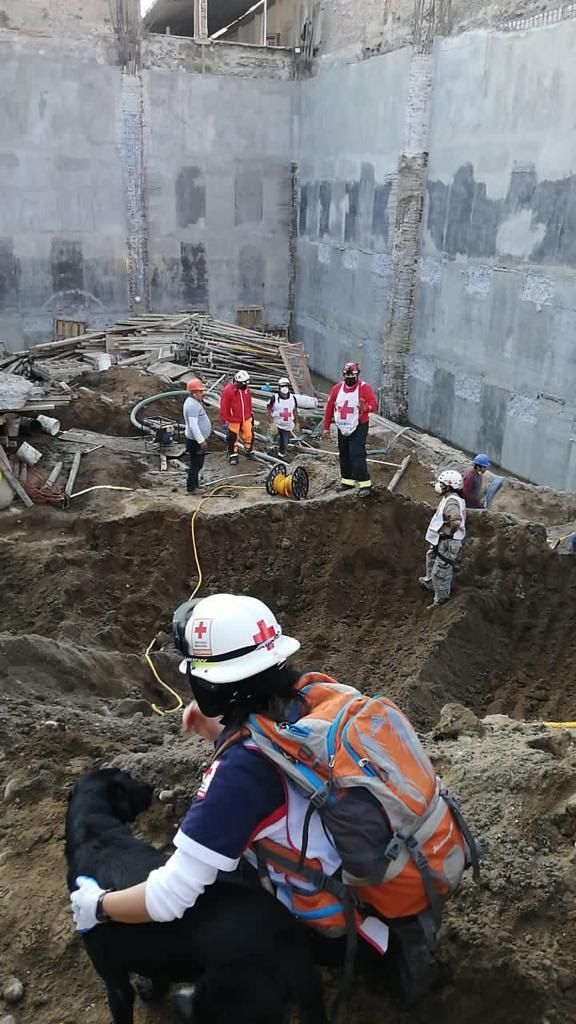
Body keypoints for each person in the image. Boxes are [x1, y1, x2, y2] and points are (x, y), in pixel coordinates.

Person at [70, 594, 477, 1003]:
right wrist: (219, 729)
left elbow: (169, 896)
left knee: (211, 884)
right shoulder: (317, 696)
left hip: (341, 917)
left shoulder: (240, 774)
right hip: (406, 860)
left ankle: (351, 951)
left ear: (209, 686)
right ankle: (397, 940)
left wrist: (98, 906)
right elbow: (272, 756)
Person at [323, 362, 378, 497]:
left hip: (358, 426)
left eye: (352, 375)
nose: (349, 378)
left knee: (356, 454)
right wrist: (326, 427)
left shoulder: (364, 388)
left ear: (357, 375)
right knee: (344, 454)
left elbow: (374, 405)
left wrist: (366, 409)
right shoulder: (337, 389)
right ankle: (347, 481)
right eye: (347, 375)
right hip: (342, 427)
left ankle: (365, 483)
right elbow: (329, 407)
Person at [419, 470, 466, 608]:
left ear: (448, 486)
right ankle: (430, 583)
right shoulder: (451, 498)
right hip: (440, 540)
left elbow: (456, 521)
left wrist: (449, 533)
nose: (438, 486)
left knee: (440, 571)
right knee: (431, 558)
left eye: (442, 484)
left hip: (448, 542)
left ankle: (441, 599)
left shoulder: (452, 502)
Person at [183, 378, 211, 494]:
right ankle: (192, 488)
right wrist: (201, 441)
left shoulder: (192, 402)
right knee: (196, 464)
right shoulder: (193, 406)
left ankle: (195, 484)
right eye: (200, 392)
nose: (202, 394)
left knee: (197, 464)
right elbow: (194, 426)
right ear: (194, 393)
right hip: (195, 442)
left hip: (195, 440)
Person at [220, 371, 254, 466]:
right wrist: (224, 420)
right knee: (232, 438)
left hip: (246, 417)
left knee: (249, 434)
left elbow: (248, 401)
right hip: (233, 418)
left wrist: (250, 413)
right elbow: (224, 406)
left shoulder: (246, 389)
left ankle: (248, 450)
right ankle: (233, 454)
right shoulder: (228, 390)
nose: (246, 386)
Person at [266, 377, 299, 457]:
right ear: (279, 387)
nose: (284, 388)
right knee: (271, 440)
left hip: (287, 426)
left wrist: (297, 423)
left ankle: (281, 456)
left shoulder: (292, 398)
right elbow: (269, 409)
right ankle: (269, 453)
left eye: (286, 386)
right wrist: (271, 422)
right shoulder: (275, 398)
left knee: (284, 443)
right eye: (282, 386)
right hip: (276, 424)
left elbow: (295, 410)